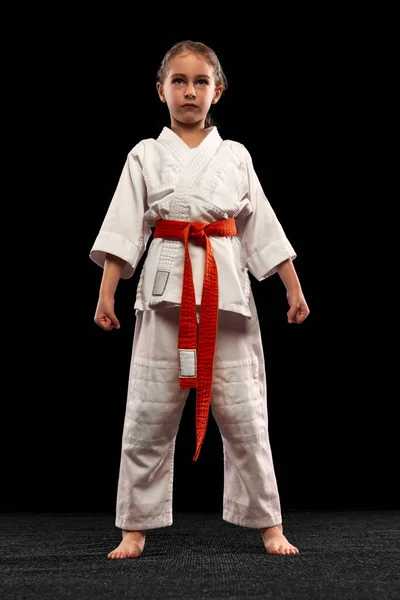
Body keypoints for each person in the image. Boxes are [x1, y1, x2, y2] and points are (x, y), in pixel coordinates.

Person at [90, 40, 310, 559]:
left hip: (226, 293)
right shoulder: (144, 154)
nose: (190, 91)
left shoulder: (235, 156)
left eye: (201, 82)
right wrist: (106, 293)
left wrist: (292, 285)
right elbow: (125, 227)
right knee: (148, 410)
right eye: (179, 81)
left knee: (246, 411)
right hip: (164, 293)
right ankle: (135, 526)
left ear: (219, 91)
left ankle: (268, 523)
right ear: (161, 90)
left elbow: (262, 227)